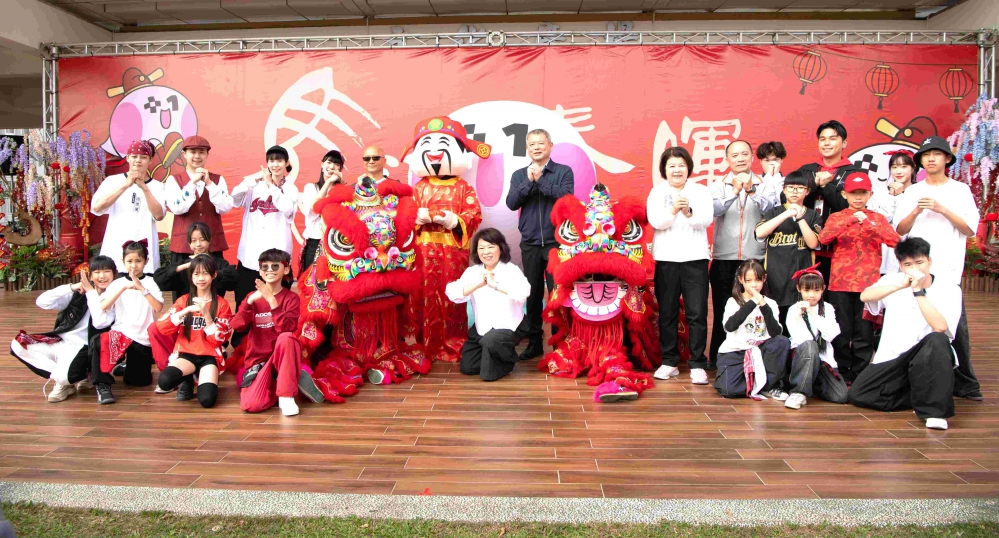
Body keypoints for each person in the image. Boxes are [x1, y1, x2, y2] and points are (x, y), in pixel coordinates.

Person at [894, 136, 982, 401]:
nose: (931, 159)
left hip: (947, 267)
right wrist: (915, 212)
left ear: (947, 159)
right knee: (914, 321)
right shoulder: (912, 191)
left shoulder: (960, 190)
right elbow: (900, 229)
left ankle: (965, 383)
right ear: (920, 161)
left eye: (936, 154)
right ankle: (913, 378)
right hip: (916, 268)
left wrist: (942, 209)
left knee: (954, 324)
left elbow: (970, 229)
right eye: (926, 155)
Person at [402, 116, 490, 363]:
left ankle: (452, 340)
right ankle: (423, 342)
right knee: (424, 295)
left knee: (452, 295)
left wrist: (453, 220)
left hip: (452, 254)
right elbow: (405, 217)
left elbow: (474, 214)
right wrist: (416, 217)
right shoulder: (419, 188)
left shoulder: (463, 188)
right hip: (423, 252)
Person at [849, 238, 960, 430]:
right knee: (858, 394)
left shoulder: (950, 289)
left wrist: (918, 291)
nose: (914, 268)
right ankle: (920, 396)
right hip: (892, 357)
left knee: (937, 339)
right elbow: (865, 296)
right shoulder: (893, 280)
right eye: (908, 264)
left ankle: (934, 412)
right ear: (900, 266)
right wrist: (900, 286)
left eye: (919, 262)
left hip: (927, 357)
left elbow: (941, 327)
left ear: (929, 261)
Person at [817, 172, 901, 382]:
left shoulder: (877, 218)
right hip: (839, 284)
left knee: (864, 332)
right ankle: (841, 372)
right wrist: (850, 221)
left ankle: (861, 376)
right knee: (841, 330)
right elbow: (823, 238)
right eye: (853, 193)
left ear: (870, 194)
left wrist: (870, 225)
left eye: (863, 193)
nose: (858, 197)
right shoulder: (837, 217)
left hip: (869, 286)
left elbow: (895, 241)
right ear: (844, 194)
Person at [504, 128, 574, 360]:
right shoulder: (519, 175)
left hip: (557, 244)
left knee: (558, 293)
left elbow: (567, 198)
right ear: (527, 148)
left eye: (540, 143)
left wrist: (541, 180)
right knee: (532, 294)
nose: (536, 147)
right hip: (530, 243)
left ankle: (560, 343)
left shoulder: (563, 171)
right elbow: (512, 203)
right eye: (532, 144)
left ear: (550, 146)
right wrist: (528, 182)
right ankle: (534, 343)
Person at [708, 140, 777, 369]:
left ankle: (755, 357)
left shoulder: (764, 184)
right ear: (727, 159)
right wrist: (735, 191)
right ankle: (718, 358)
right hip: (723, 258)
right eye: (734, 155)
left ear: (752, 157)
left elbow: (771, 210)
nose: (740, 158)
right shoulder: (718, 185)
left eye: (744, 154)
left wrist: (751, 190)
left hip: (754, 257)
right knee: (723, 308)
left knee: (755, 308)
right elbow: (714, 210)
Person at [10, 256, 116, 402]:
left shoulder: (115, 297)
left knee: (64, 376)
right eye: (97, 272)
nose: (102, 276)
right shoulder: (77, 295)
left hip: (85, 348)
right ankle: (65, 379)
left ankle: (65, 380)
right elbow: (42, 302)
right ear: (90, 276)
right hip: (61, 342)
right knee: (18, 344)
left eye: (107, 271)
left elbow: (100, 323)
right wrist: (70, 287)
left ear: (114, 274)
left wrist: (91, 293)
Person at [648, 147, 713, 384]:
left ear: (689, 168)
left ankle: (698, 364)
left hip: (695, 258)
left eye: (681, 165)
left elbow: (705, 220)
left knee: (697, 313)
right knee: (667, 312)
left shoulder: (700, 191)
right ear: (664, 169)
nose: (677, 170)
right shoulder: (657, 192)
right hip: (666, 259)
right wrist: (674, 209)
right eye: (672, 166)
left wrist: (688, 211)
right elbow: (657, 222)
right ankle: (669, 362)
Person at [231, 249, 323, 416]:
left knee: (287, 338)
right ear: (259, 271)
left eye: (275, 266)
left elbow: (286, 329)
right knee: (251, 405)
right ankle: (289, 378)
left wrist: (271, 300)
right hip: (259, 363)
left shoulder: (291, 298)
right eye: (264, 267)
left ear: (286, 270)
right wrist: (249, 302)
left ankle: (286, 396)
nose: (269, 270)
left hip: (282, 357)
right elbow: (237, 326)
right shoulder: (252, 297)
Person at [446, 228, 530, 381]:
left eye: (491, 247)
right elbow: (452, 293)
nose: (486, 252)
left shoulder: (511, 270)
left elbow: (523, 292)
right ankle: (493, 354)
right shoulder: (472, 272)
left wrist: (495, 285)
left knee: (488, 371)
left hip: (509, 326)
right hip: (482, 327)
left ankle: (508, 360)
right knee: (468, 367)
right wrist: (478, 284)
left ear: (501, 248)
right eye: (481, 248)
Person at [149, 255, 233, 408]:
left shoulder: (222, 304)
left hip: (209, 357)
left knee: (207, 400)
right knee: (165, 381)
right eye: (196, 274)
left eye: (205, 273)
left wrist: (207, 315)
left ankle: (201, 377)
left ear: (214, 275)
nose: (201, 278)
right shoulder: (183, 301)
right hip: (187, 355)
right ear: (191, 277)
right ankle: (187, 378)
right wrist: (185, 311)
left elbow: (219, 340)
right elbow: (162, 327)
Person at [91, 240, 164, 405]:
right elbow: (104, 306)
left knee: (138, 381)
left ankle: (125, 367)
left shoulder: (150, 282)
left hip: (142, 338)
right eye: (129, 261)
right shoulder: (118, 283)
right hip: (121, 333)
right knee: (99, 342)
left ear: (146, 261)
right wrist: (124, 287)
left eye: (138, 261)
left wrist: (142, 289)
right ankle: (103, 385)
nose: (134, 265)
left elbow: (158, 307)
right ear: (123, 261)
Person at [230, 145, 298, 316]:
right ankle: (243, 334)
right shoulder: (254, 186)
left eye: (279, 160)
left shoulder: (291, 189)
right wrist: (252, 180)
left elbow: (287, 209)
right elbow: (234, 199)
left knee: (277, 304)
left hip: (277, 259)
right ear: (267, 163)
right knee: (244, 302)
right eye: (271, 161)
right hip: (250, 257)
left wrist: (271, 186)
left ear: (286, 163)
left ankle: (276, 332)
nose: (275, 164)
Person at [794, 120, 866, 280]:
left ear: (844, 143)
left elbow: (853, 206)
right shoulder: (806, 170)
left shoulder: (854, 173)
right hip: (805, 247)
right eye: (822, 139)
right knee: (806, 292)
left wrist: (827, 186)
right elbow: (787, 200)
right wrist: (813, 184)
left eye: (832, 139)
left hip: (841, 248)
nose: (826, 143)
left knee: (835, 293)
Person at [755, 170, 823, 333]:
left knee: (801, 326)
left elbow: (813, 243)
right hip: (775, 278)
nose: (795, 191)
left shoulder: (813, 215)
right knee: (776, 325)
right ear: (784, 190)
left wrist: (799, 218)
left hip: (802, 280)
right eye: (791, 187)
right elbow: (760, 233)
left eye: (800, 188)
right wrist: (787, 214)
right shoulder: (774, 212)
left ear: (807, 191)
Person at [713, 259, 791, 400]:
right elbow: (729, 327)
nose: (754, 284)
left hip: (762, 350)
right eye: (748, 280)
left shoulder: (771, 303)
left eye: (758, 280)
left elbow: (775, 332)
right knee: (728, 390)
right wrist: (752, 302)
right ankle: (756, 384)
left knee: (782, 341)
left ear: (764, 279)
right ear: (740, 280)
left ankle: (769, 386)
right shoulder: (733, 302)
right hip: (737, 351)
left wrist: (763, 305)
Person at [90, 140, 166, 273]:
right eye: (134, 156)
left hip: (144, 250)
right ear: (128, 158)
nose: (138, 160)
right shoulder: (112, 181)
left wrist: (144, 188)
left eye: (143, 157)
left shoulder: (158, 187)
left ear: (150, 160)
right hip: (115, 247)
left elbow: (159, 215)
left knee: (144, 283)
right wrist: (125, 185)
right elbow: (96, 208)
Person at [163, 135, 233, 278]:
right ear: (184, 154)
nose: (197, 156)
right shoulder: (174, 180)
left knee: (214, 285)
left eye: (201, 152)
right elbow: (177, 208)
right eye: (192, 152)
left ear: (207, 155)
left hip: (212, 246)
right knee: (182, 286)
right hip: (183, 246)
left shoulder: (217, 180)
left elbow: (225, 207)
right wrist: (192, 183)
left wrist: (210, 184)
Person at [784, 264, 849, 409]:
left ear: (823, 289)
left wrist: (812, 313)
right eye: (807, 290)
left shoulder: (828, 308)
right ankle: (799, 392)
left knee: (841, 396)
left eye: (816, 290)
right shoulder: (793, 309)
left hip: (823, 361)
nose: (811, 295)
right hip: (802, 359)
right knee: (810, 345)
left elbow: (832, 334)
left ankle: (812, 385)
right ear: (799, 289)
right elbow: (799, 339)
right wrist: (799, 316)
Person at [154, 222, 237, 301]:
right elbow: (159, 280)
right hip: (187, 308)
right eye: (194, 240)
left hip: (215, 307)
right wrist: (185, 266)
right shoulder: (183, 265)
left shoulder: (220, 263)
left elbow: (233, 281)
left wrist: (210, 270)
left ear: (209, 240)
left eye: (202, 239)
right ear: (189, 243)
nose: (198, 244)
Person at [868, 150, 918, 275]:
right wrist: (892, 196)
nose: (898, 171)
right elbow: (878, 221)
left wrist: (901, 196)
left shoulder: (919, 192)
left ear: (913, 168)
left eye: (904, 166)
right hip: (884, 253)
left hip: (912, 250)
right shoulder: (880, 194)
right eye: (894, 167)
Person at [299, 149, 346, 276]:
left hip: (337, 243)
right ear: (322, 164)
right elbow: (314, 210)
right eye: (329, 162)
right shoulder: (311, 187)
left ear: (340, 169)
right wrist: (328, 182)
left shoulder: (343, 190)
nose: (332, 167)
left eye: (336, 164)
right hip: (315, 241)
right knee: (311, 280)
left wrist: (342, 185)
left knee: (335, 280)